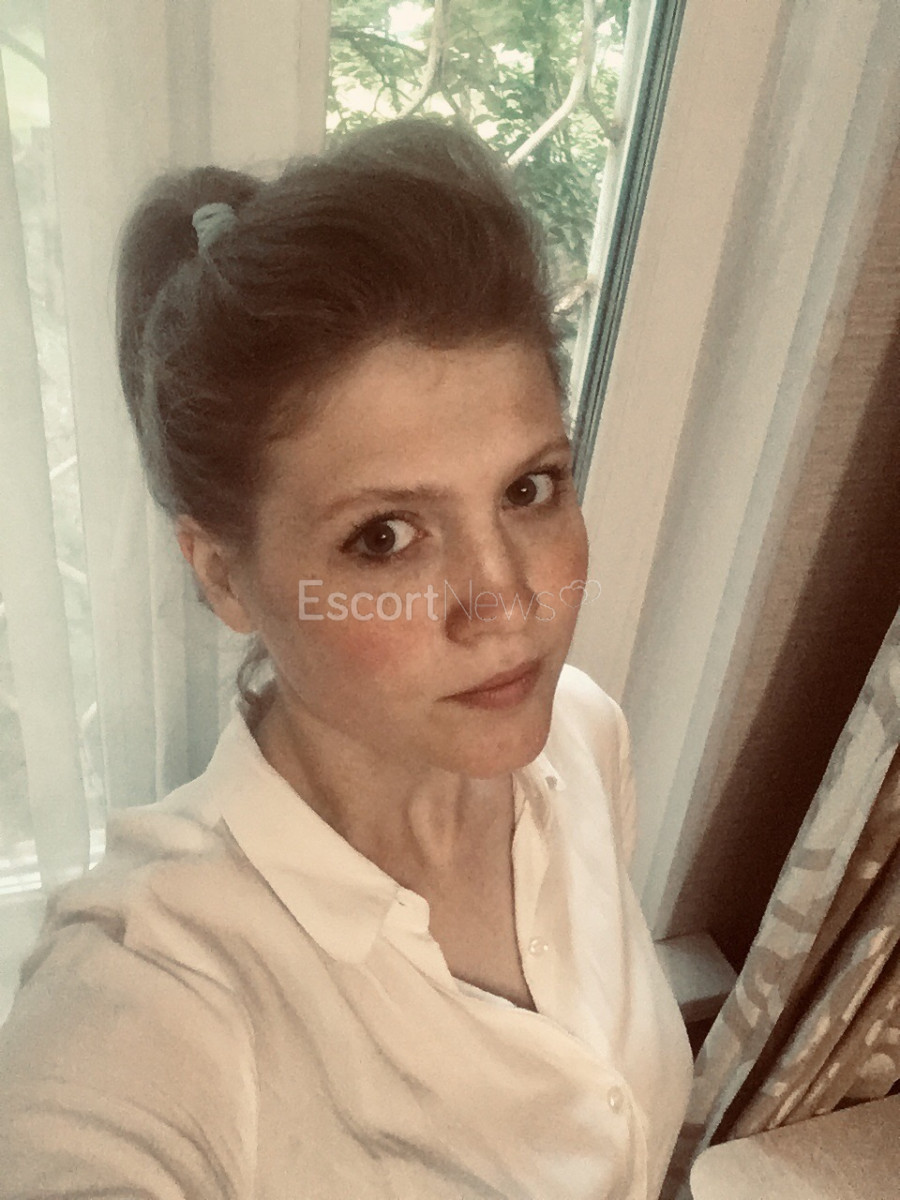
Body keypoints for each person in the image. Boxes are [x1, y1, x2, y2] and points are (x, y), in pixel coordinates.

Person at [0, 118, 693, 1198]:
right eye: (385, 536)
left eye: (530, 488)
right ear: (225, 576)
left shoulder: (580, 733)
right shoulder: (155, 991)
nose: (508, 601)